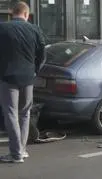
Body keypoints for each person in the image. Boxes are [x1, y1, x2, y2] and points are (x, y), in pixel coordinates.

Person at [0, 2, 45, 163]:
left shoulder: (3, 28)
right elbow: (42, 53)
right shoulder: (35, 29)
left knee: (11, 114)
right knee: (25, 113)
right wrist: (35, 71)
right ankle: (22, 150)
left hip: (8, 77)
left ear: (12, 12)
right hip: (28, 78)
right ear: (26, 14)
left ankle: (16, 153)